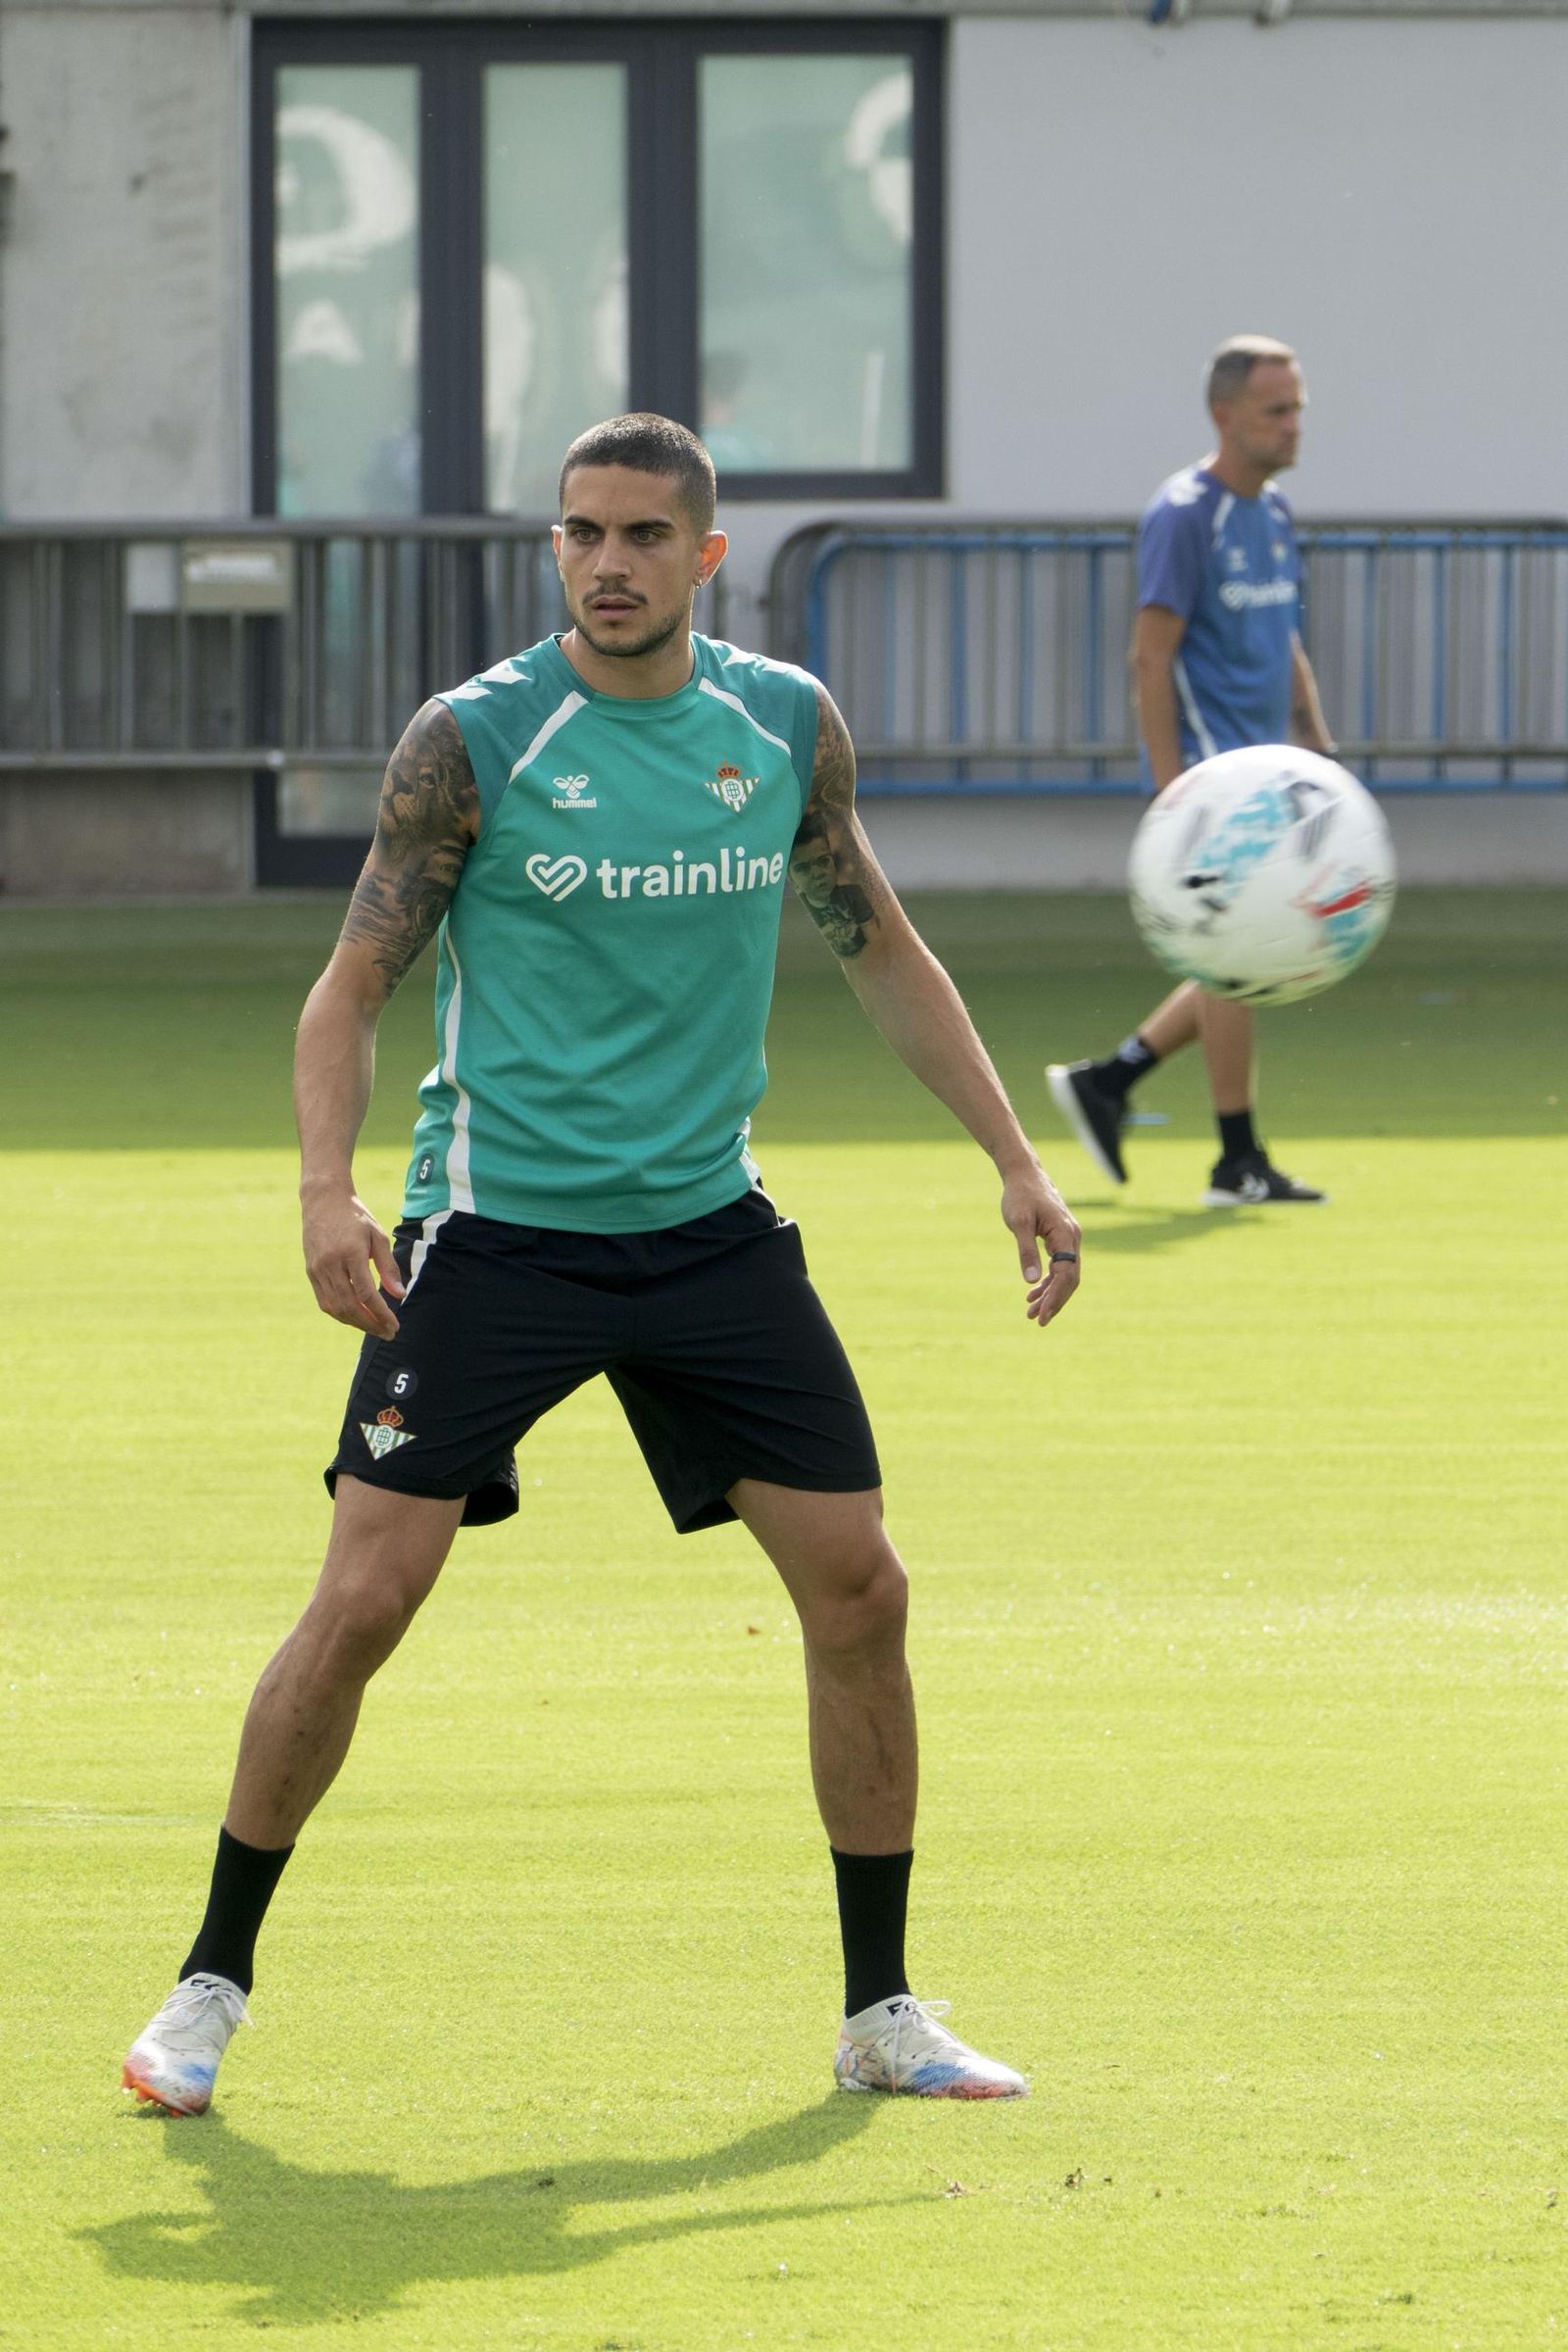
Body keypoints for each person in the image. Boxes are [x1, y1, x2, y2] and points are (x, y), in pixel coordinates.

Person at [122, 414, 1082, 2118]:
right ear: (553, 547)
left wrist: (1014, 1159)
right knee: (363, 1602)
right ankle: (207, 1984)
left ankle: (881, 2012)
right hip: (497, 1238)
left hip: (709, 1232)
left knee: (863, 1590)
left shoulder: (781, 725)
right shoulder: (476, 739)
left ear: (708, 556)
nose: (610, 562)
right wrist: (326, 1189)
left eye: (645, 534)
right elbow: (348, 988)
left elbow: (883, 949)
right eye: (582, 532)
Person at [1048, 334, 1338, 1206]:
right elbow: (1149, 656)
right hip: (1215, 785)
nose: (1293, 427)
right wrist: (1174, 789)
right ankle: (1234, 1161)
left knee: (1238, 961)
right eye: (1274, 411)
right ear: (1225, 415)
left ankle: (1112, 1080)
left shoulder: (1274, 511)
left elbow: (1281, 633)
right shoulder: (1183, 512)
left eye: (1298, 409)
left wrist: (1316, 743)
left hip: (1273, 779)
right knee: (1242, 953)